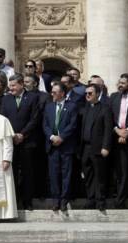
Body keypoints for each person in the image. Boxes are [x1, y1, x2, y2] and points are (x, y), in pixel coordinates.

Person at [0, 73, 39, 210]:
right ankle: (14, 202)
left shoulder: (33, 98)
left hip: (27, 142)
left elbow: (34, 119)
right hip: (11, 142)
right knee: (12, 172)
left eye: (13, 85)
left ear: (21, 84)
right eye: (9, 86)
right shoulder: (6, 99)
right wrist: (12, 135)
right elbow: (3, 119)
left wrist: (22, 134)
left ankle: (27, 202)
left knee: (28, 173)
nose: (11, 88)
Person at [43, 82, 78, 211]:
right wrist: (52, 137)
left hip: (66, 146)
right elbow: (45, 125)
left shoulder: (72, 106)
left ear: (62, 93)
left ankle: (64, 199)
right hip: (52, 146)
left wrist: (61, 137)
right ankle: (55, 199)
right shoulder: (49, 107)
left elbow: (73, 125)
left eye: (55, 92)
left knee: (66, 174)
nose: (52, 94)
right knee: (53, 174)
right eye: (51, 92)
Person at [80, 84, 113, 211]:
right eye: (86, 93)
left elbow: (108, 130)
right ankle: (90, 199)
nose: (87, 95)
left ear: (98, 94)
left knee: (100, 176)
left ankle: (100, 201)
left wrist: (106, 147)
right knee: (88, 176)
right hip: (86, 148)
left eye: (90, 93)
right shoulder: (86, 109)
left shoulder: (105, 109)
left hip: (99, 148)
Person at [110, 73, 128, 209]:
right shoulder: (114, 97)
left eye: (123, 83)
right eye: (119, 83)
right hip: (117, 138)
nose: (120, 85)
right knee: (121, 171)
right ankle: (120, 200)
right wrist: (117, 130)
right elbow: (109, 116)